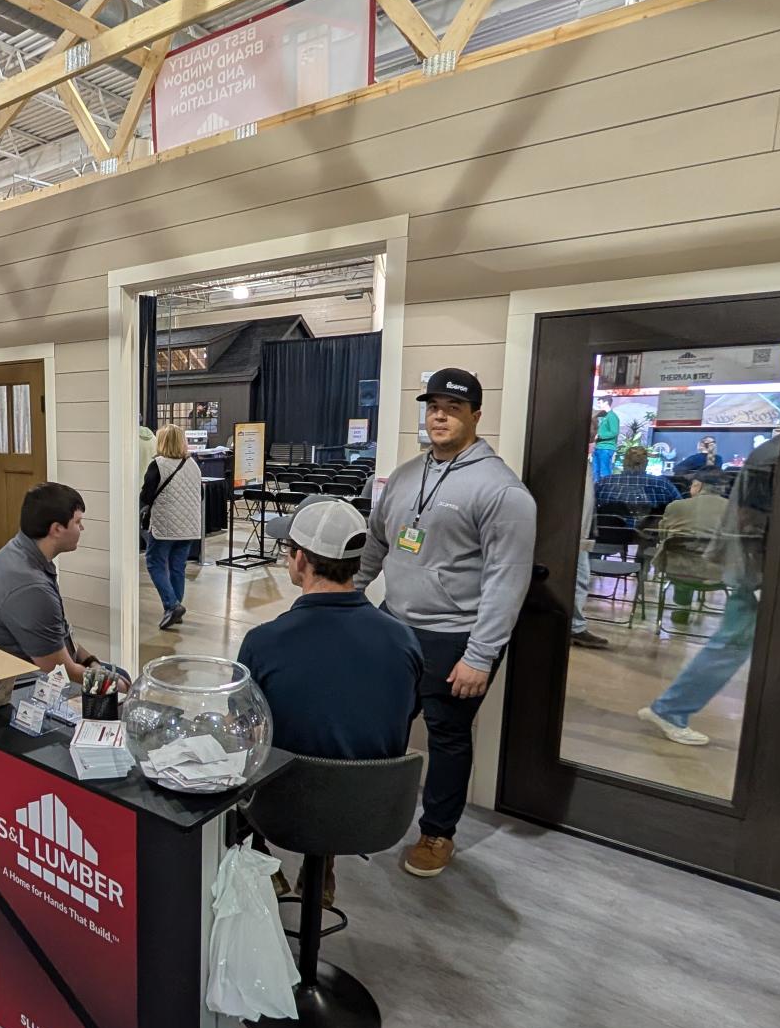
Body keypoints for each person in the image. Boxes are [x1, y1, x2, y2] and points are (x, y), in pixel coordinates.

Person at [356, 368, 536, 879]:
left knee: (448, 737)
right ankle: (372, 809)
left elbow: (507, 580)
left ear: (476, 415)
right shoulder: (406, 474)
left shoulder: (503, 491)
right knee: (382, 722)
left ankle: (437, 832)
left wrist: (480, 655)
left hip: (456, 636)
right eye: (433, 406)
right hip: (394, 626)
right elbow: (377, 541)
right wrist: (348, 596)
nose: (440, 416)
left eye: (453, 408)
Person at [240, 497, 422, 904]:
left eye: (288, 550)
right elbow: (404, 714)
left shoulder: (264, 643)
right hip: (377, 810)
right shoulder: (403, 639)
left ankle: (259, 861)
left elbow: (246, 732)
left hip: (283, 811)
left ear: (301, 560)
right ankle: (321, 869)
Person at [638, 434, 780, 747]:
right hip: (749, 572)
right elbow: (753, 522)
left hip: (689, 569)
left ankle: (671, 708)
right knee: (731, 643)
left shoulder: (769, 456)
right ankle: (671, 709)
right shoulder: (774, 458)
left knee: (731, 643)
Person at [0, 482, 97, 682]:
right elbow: (59, 673)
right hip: (19, 687)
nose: (82, 528)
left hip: (43, 668)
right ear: (56, 529)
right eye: (77, 522)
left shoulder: (23, 552)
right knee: (124, 687)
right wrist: (112, 683)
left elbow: (61, 635)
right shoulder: (30, 588)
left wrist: (92, 662)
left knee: (118, 676)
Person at [141, 425, 204, 630]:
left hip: (165, 524)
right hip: (190, 525)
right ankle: (175, 608)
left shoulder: (158, 465)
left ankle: (172, 605)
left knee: (154, 563)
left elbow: (146, 495)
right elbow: (200, 495)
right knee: (178, 566)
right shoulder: (193, 464)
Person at [653, 469, 729, 629]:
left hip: (678, 570)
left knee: (682, 555)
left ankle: (682, 607)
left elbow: (663, 536)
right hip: (719, 573)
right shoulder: (732, 509)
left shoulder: (676, 506)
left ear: (698, 486)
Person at [571, 469, 609, 649]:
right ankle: (575, 627)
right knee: (579, 580)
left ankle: (575, 627)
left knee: (581, 580)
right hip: (571, 535)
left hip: (580, 536)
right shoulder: (573, 463)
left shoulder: (585, 465)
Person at [595, 445, 681, 511]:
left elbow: (590, 508)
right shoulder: (663, 484)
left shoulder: (604, 483)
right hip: (650, 529)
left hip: (609, 529)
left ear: (624, 462)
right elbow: (680, 509)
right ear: (646, 462)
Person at [592, 396, 620, 480]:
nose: (598, 405)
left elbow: (614, 432)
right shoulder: (604, 416)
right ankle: (597, 488)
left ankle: (606, 487)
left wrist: (600, 435)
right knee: (596, 472)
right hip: (598, 447)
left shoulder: (612, 416)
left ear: (606, 403)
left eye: (600, 403)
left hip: (606, 448)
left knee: (604, 472)